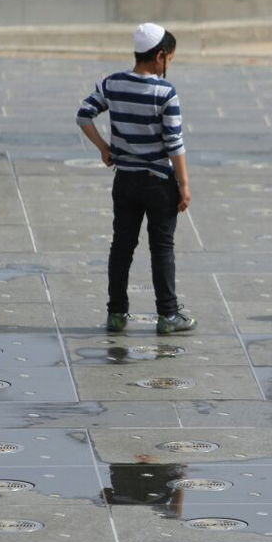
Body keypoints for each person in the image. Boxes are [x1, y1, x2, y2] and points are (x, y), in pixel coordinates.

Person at [77, 22, 196, 335]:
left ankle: (116, 314)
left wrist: (104, 148)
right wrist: (184, 185)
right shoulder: (165, 93)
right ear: (160, 56)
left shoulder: (113, 83)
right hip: (158, 182)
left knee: (122, 246)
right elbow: (174, 143)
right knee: (162, 248)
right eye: (169, 58)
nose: (168, 64)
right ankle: (168, 316)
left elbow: (83, 114)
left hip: (125, 180)